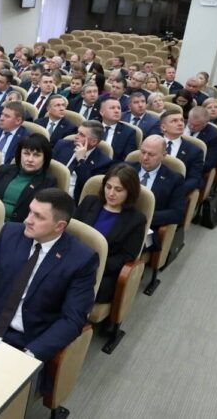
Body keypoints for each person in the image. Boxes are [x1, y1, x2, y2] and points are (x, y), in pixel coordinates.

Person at [0, 188, 98, 372]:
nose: (27, 220)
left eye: (38, 216)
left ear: (59, 226)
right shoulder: (10, 232)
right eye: (30, 211)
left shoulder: (81, 260)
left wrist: (31, 353)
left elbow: (72, 319)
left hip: (27, 342)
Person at [74, 164, 146, 303]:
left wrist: (93, 266)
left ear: (130, 192)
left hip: (102, 272)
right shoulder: (90, 201)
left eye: (118, 190)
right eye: (108, 187)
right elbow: (72, 231)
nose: (111, 193)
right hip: (73, 260)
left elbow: (126, 256)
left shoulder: (136, 220)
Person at [0, 134, 58, 222]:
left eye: (36, 155)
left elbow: (42, 215)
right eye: (26, 153)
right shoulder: (4, 170)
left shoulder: (48, 182)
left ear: (45, 158)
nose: (30, 159)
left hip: (20, 226)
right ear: (20, 154)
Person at [129, 135, 187, 237]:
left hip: (148, 228)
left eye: (151, 154)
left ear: (163, 156)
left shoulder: (174, 179)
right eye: (143, 152)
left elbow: (177, 213)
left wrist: (143, 217)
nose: (145, 158)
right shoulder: (125, 169)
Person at [53, 121, 112, 201]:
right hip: (51, 191)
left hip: (72, 200)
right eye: (78, 132)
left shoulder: (103, 162)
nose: (76, 136)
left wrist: (81, 161)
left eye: (81, 135)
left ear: (93, 141)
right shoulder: (62, 145)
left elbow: (89, 187)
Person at [159, 110, 204, 192]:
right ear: (163, 127)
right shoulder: (150, 141)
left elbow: (194, 179)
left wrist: (176, 190)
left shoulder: (194, 151)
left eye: (182, 120)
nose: (180, 124)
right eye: (174, 121)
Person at [0, 101, 31, 165]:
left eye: (7, 116)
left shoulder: (26, 139)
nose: (1, 118)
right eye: (2, 114)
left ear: (18, 121)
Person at [185, 106, 217, 174]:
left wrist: (183, 168)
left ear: (206, 123)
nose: (192, 127)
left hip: (193, 171)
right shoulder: (179, 124)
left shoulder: (216, 136)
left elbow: (208, 164)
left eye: (196, 125)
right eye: (190, 123)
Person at [99, 98, 138, 162]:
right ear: (102, 112)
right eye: (112, 108)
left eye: (119, 108)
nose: (117, 111)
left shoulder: (129, 132)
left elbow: (127, 160)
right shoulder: (92, 126)